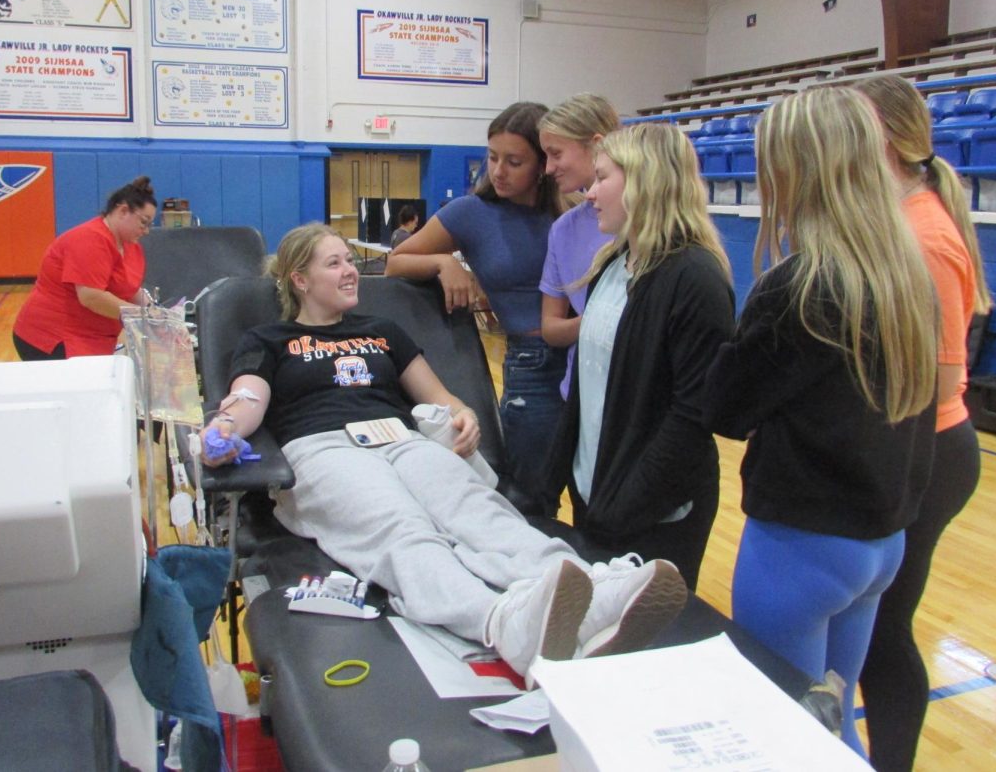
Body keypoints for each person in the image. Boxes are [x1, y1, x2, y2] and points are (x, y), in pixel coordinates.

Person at [200, 223, 687, 681]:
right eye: (334, 264)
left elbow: (441, 397)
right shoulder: (269, 339)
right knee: (404, 531)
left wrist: (463, 416)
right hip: (322, 449)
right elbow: (248, 398)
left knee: (479, 512)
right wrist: (225, 429)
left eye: (350, 260)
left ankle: (592, 590)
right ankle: (501, 623)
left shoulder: (383, 331)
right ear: (300, 279)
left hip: (399, 438)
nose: (350, 270)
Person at [702, 87, 939, 759]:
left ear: (796, 171)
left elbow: (727, 409)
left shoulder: (801, 285)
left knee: (785, 734)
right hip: (879, 542)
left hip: (804, 546)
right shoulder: (904, 273)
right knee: (834, 724)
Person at [854, 74, 992, 772]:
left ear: (887, 138)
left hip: (929, 451)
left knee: (884, 631)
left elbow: (939, 376)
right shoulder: (893, 220)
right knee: (872, 626)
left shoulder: (927, 235)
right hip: (905, 443)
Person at [542, 124, 735, 592]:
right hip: (599, 497)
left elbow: (690, 418)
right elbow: (587, 386)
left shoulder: (695, 278)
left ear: (645, 182)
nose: (590, 193)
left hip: (654, 513)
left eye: (603, 178)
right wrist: (554, 480)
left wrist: (621, 509)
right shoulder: (614, 263)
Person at [386, 102, 572, 511]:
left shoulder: (571, 210)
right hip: (535, 368)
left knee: (593, 496)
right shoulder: (473, 213)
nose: (498, 171)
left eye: (514, 161)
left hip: (588, 360)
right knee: (531, 500)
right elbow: (395, 262)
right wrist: (443, 262)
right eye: (492, 158)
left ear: (543, 164)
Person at [13, 177, 157, 360]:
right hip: (53, 337)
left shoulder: (130, 245)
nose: (146, 231)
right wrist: (142, 317)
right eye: (144, 222)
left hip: (92, 336)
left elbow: (129, 288)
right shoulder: (89, 239)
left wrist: (155, 310)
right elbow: (91, 297)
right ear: (123, 211)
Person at [537, 93, 620, 399]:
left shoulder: (653, 226)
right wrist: (600, 321)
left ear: (596, 145)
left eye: (556, 154)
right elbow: (551, 327)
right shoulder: (564, 230)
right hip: (582, 393)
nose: (548, 168)